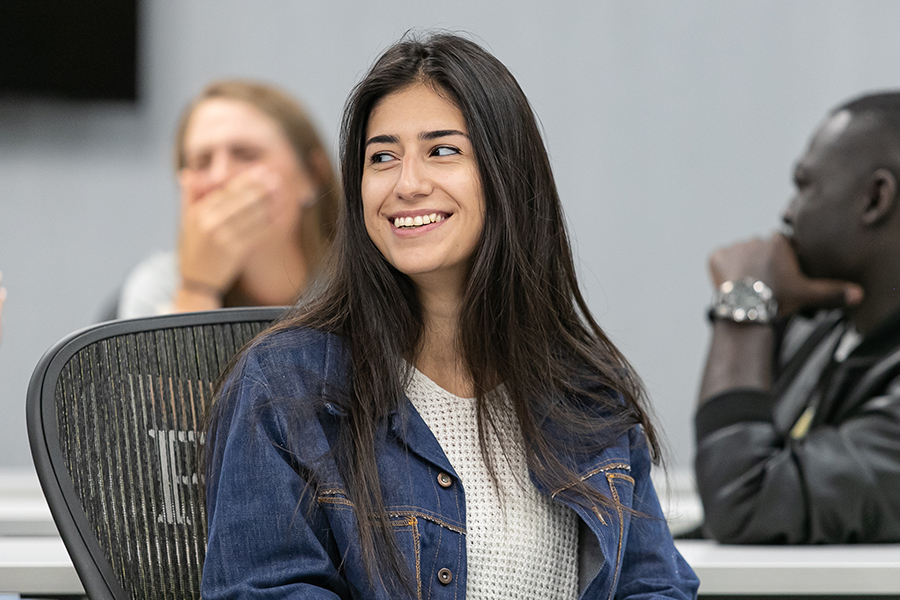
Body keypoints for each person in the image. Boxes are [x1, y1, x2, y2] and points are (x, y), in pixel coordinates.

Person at [202, 33, 697, 599]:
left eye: (442, 151)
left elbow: (654, 586)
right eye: (382, 157)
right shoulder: (285, 385)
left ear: (506, 175)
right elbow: (266, 591)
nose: (407, 184)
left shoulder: (584, 393)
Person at [695, 92, 900, 544]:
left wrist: (743, 302)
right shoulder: (821, 331)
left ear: (875, 199)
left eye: (805, 185)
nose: (788, 212)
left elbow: (746, 504)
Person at [116, 80, 339, 318]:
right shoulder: (158, 289)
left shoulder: (361, 281)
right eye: (202, 162)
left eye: (246, 155)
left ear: (312, 175)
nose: (220, 177)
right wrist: (197, 289)